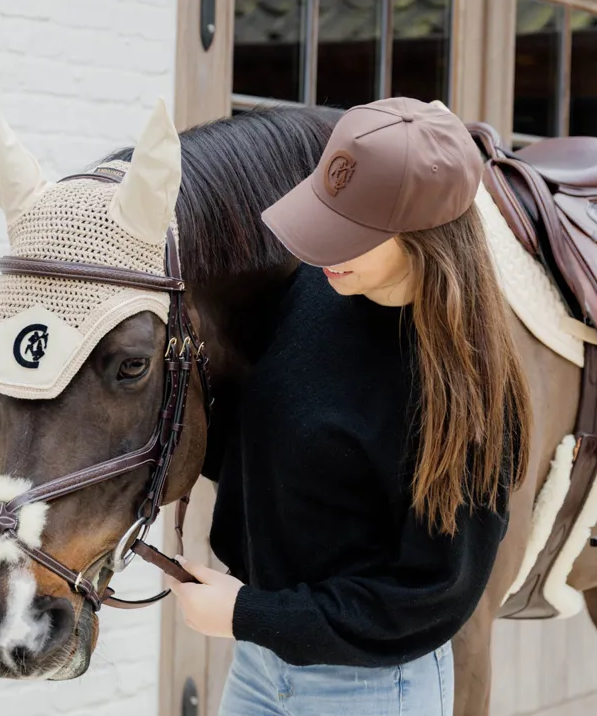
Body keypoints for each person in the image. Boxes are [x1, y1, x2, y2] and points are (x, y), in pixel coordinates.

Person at [167, 97, 531, 715]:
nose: (321, 246)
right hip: (258, 668)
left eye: (350, 232)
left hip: (371, 690)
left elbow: (429, 599)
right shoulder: (315, 288)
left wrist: (249, 613)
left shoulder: (466, 400)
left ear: (425, 236)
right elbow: (267, 449)